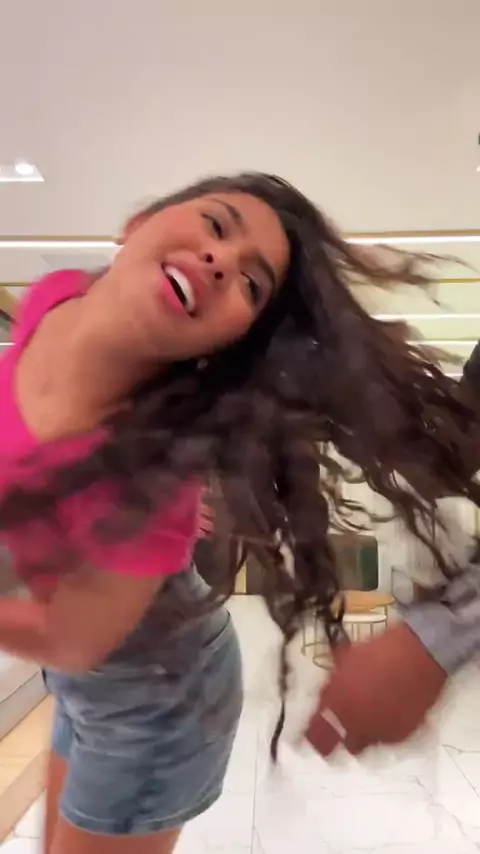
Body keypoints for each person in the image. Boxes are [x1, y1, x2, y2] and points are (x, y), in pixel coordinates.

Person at [0, 172, 480, 854]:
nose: (220, 258)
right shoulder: (53, 298)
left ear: (223, 343)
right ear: (138, 224)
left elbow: (76, 639)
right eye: (216, 224)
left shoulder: (152, 471)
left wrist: (439, 635)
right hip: (82, 684)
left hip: (157, 705)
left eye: (252, 285)